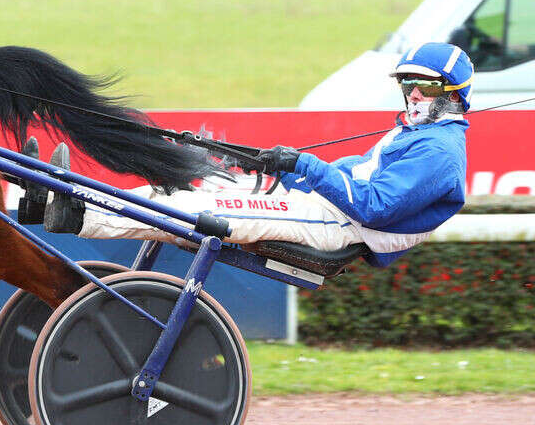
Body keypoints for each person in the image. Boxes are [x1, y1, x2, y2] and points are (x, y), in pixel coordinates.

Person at [40, 42, 472, 268]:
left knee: (198, 209)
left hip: (339, 227)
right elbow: (351, 176)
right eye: (407, 84)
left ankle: (78, 215)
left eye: (427, 86)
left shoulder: (439, 151)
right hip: (325, 209)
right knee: (195, 182)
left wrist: (303, 165)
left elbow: (374, 206)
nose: (414, 94)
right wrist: (288, 170)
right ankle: (65, 199)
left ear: (452, 92)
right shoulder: (421, 134)